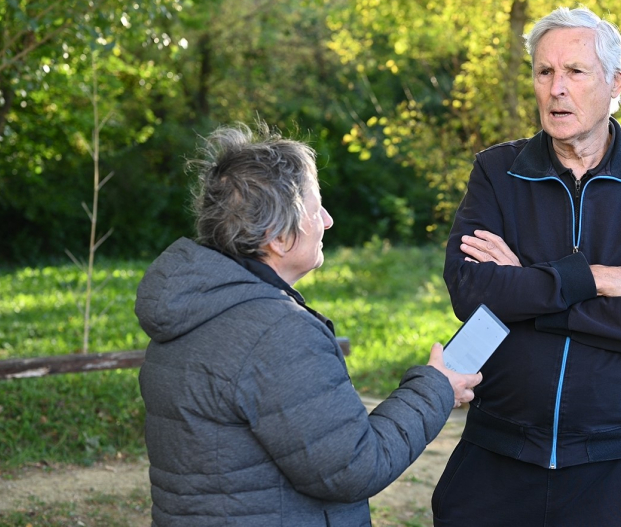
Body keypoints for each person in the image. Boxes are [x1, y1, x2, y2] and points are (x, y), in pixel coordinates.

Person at [431, 6, 621, 526]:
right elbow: (469, 290)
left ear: (615, 81)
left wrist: (526, 289)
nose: (557, 88)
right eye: (544, 72)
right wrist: (590, 279)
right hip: (499, 447)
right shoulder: (497, 170)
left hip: (613, 457)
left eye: (574, 72)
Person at [135, 122, 482, 527]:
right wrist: (435, 388)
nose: (329, 221)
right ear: (278, 238)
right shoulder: (276, 334)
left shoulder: (192, 308)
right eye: (316, 208)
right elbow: (353, 466)